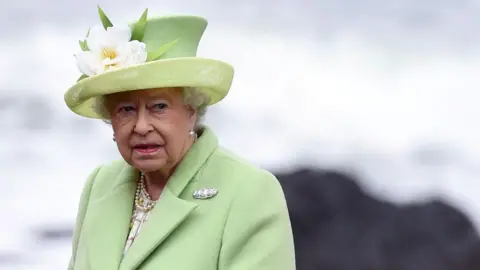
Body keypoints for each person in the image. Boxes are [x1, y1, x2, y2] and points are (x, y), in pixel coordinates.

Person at [65, 7, 296, 270]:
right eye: (126, 109)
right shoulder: (99, 185)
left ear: (191, 110)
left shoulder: (249, 192)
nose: (141, 126)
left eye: (159, 106)